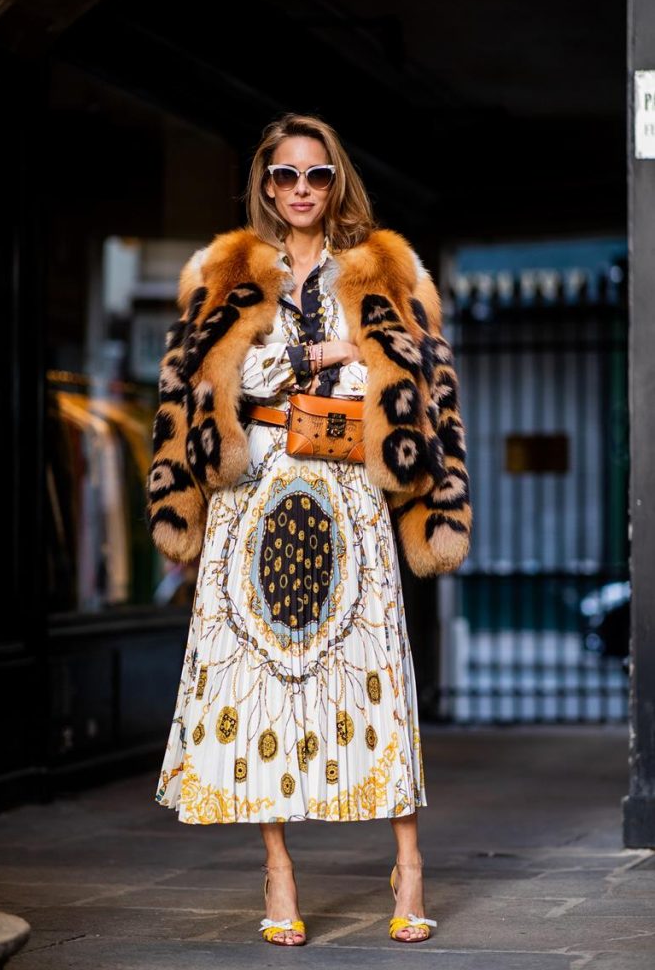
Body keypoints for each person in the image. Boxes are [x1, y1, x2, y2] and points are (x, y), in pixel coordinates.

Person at [146, 113, 472, 946]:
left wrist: (342, 355)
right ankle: (278, 869)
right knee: (258, 678)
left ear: (336, 183)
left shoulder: (386, 270)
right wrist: (306, 358)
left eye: (316, 175)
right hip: (249, 495)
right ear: (262, 182)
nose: (300, 189)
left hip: (349, 492)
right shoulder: (216, 271)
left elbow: (427, 382)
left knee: (371, 671)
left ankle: (407, 864)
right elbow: (185, 387)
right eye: (284, 174)